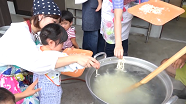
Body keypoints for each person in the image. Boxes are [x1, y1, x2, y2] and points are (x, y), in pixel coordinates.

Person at [0, 0, 100, 103]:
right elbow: (38, 64)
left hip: (22, 72)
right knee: (33, 99)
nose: (55, 27)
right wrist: (75, 58)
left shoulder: (35, 31)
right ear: (40, 16)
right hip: (6, 79)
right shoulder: (20, 33)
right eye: (53, 22)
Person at [33, 23, 84, 104]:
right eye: (62, 43)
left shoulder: (37, 48)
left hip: (38, 85)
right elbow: (74, 65)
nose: (63, 45)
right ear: (51, 43)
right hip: (51, 90)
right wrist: (86, 61)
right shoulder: (57, 56)